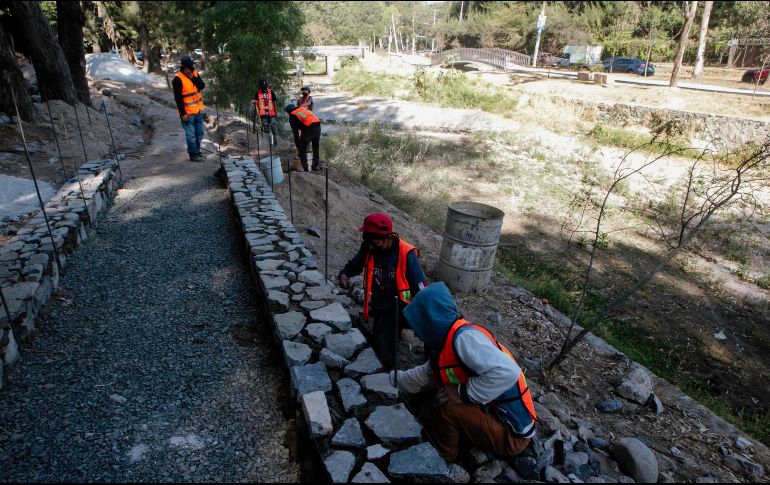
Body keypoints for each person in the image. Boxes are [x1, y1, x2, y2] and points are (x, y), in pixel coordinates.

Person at [393, 281, 538, 463]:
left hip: (512, 434)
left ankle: (442, 461)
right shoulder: (448, 340)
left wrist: (463, 393)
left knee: (447, 406)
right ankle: (462, 437)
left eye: (419, 326)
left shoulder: (464, 340)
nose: (416, 334)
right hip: (496, 416)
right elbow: (424, 376)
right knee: (439, 395)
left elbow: (508, 372)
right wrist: (389, 381)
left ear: (431, 321)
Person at [338, 213, 429, 368]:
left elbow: (422, 289)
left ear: (388, 237)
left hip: (406, 307)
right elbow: (355, 264)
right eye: (369, 243)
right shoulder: (369, 246)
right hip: (384, 309)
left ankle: (430, 360)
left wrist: (427, 314)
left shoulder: (405, 254)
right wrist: (344, 275)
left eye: (375, 243)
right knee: (383, 355)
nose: (371, 247)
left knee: (432, 327)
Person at [172, 56, 205, 162]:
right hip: (187, 113)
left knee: (199, 133)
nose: (190, 68)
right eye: (188, 67)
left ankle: (197, 151)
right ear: (183, 67)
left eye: (191, 66)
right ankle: (193, 154)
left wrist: (192, 77)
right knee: (191, 135)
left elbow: (201, 86)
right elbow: (178, 99)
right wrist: (183, 114)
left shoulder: (194, 73)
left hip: (198, 110)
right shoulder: (177, 79)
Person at [285, 103, 322, 172]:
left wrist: (297, 144)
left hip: (309, 127)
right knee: (315, 146)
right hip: (317, 125)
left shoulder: (292, 115)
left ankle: (305, 168)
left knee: (302, 148)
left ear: (288, 112)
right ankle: (316, 165)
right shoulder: (302, 109)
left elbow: (295, 132)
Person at [252, 79, 278, 146]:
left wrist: (276, 112)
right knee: (266, 130)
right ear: (260, 86)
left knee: (274, 129)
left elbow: (274, 103)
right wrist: (254, 102)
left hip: (272, 114)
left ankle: (275, 144)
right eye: (262, 86)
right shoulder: (257, 93)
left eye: (265, 86)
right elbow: (255, 102)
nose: (264, 88)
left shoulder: (271, 92)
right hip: (263, 115)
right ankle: (269, 145)